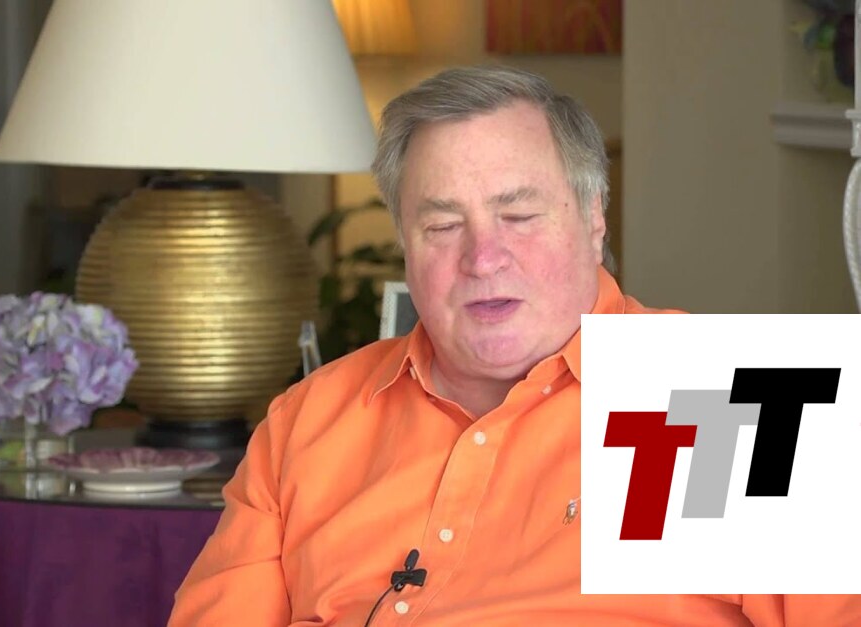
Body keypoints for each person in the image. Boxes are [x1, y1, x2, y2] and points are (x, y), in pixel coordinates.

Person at [168, 66, 861, 625]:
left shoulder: (727, 392)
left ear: (593, 216)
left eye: (519, 215)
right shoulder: (308, 419)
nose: (483, 257)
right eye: (442, 226)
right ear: (405, 244)